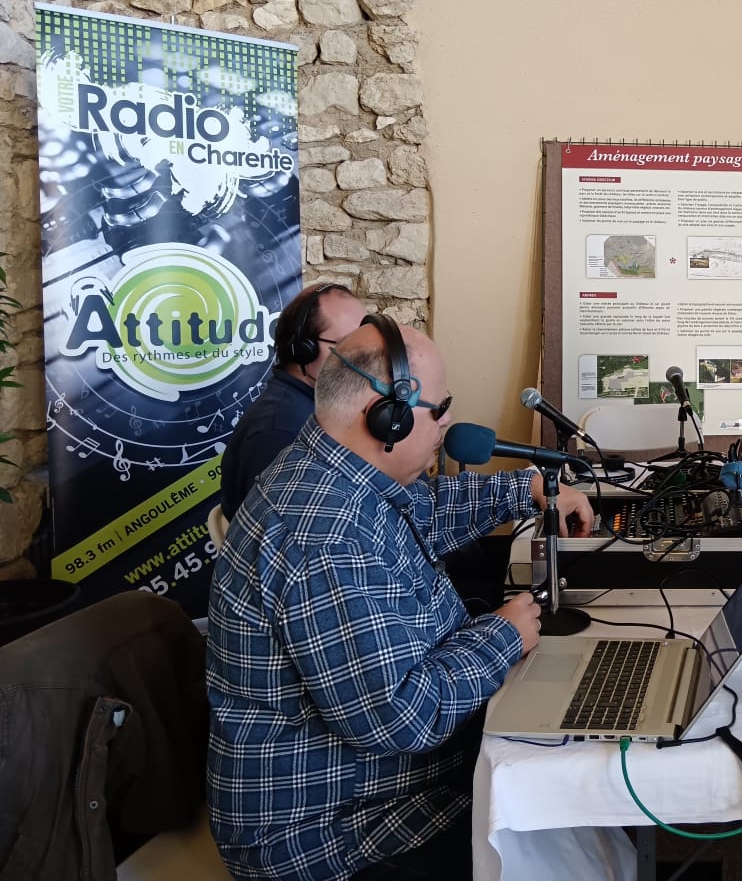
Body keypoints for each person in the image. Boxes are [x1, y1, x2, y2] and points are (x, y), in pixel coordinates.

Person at [206, 315, 594, 879]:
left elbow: (425, 512)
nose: (449, 422)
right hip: (335, 835)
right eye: (440, 408)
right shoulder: (323, 540)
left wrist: (527, 487)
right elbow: (400, 717)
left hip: (382, 789)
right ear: (386, 417)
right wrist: (503, 635)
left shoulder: (339, 470)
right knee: (563, 813)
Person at [219, 282, 367, 520]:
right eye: (349, 345)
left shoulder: (316, 409)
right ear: (303, 350)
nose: (365, 359)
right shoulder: (280, 432)